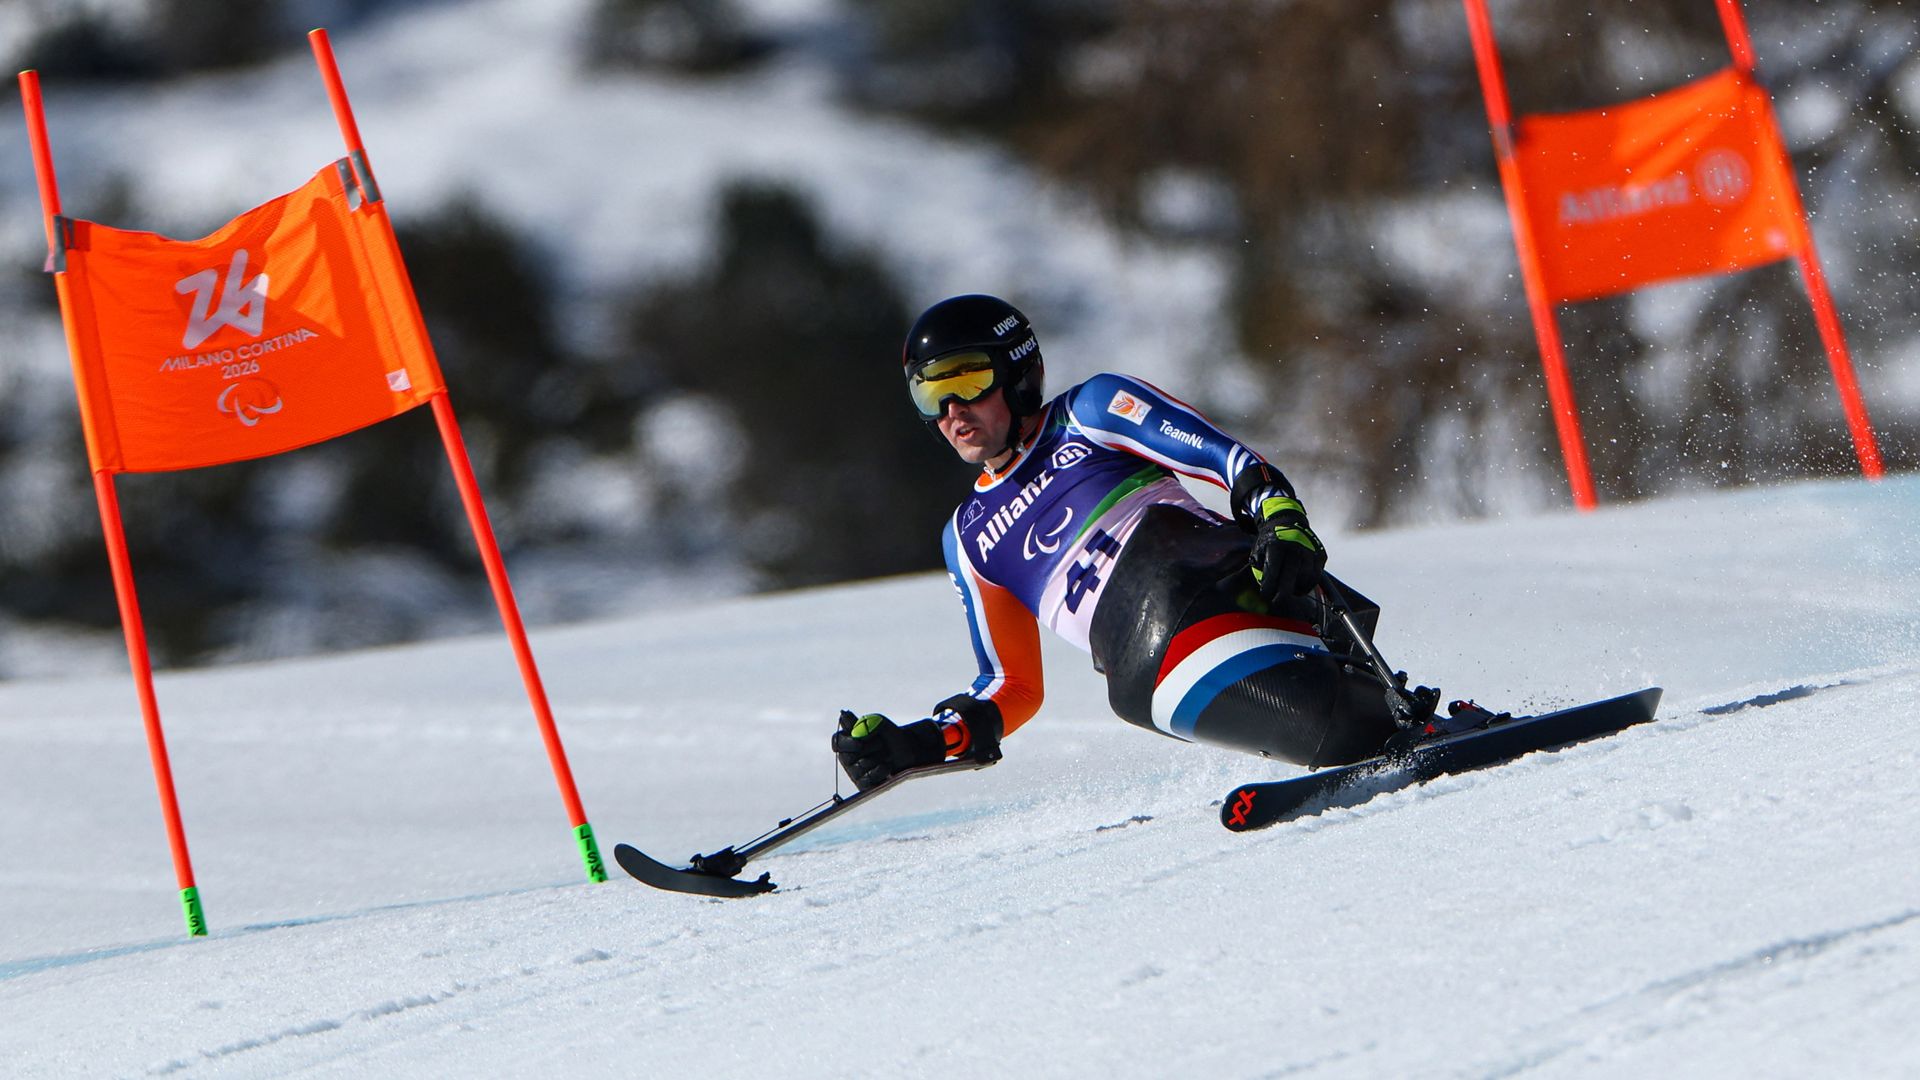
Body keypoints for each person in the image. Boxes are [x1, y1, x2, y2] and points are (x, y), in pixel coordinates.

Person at [831, 294, 1463, 792]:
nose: (951, 411)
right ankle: (1386, 728)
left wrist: (1281, 516)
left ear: (1019, 373)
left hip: (1208, 583)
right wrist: (919, 743)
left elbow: (1230, 462)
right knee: (1340, 732)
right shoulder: (966, 539)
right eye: (929, 394)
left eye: (966, 380)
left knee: (1354, 720)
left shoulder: (1091, 411)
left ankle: (1407, 718)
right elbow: (1011, 686)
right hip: (1142, 675)